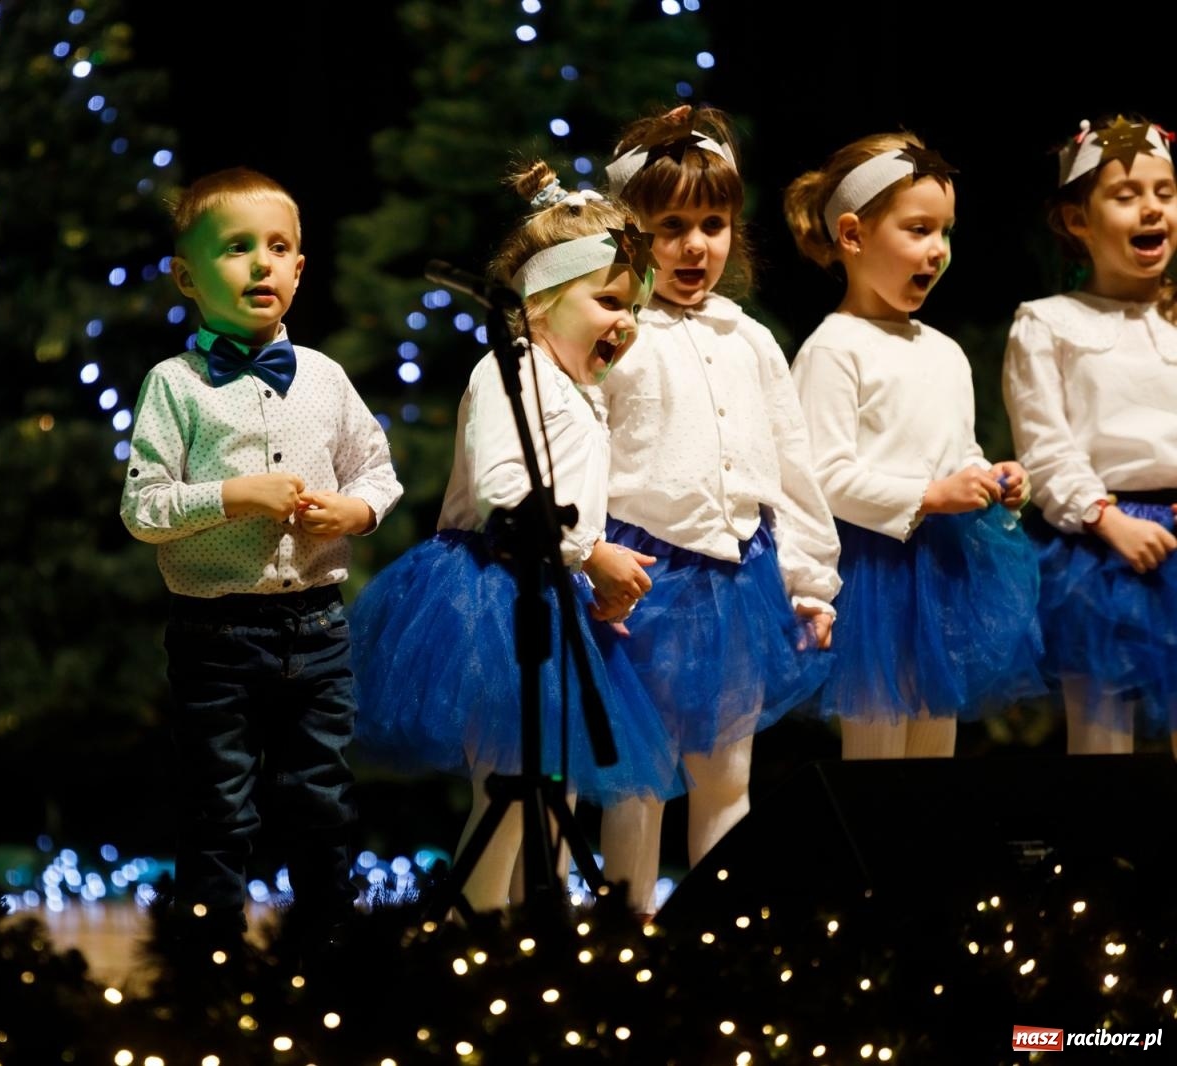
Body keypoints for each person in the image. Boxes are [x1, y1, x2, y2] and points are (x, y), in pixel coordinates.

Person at [351, 162, 679, 914]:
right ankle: (472, 936)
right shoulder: (512, 372)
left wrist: (588, 570)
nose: (625, 321)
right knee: (511, 783)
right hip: (487, 594)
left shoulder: (574, 390)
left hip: (543, 596)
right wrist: (589, 553)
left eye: (633, 305)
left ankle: (521, 939)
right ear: (538, 303)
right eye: (606, 301)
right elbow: (506, 493)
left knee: (546, 784)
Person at [120, 167, 403, 946]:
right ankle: (208, 965)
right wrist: (232, 496)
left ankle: (324, 955)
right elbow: (142, 509)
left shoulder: (326, 377)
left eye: (278, 248)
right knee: (220, 808)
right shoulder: (174, 386)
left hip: (316, 627)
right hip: (217, 635)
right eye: (238, 248)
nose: (262, 264)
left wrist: (356, 509)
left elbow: (378, 471)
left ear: (301, 269)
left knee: (323, 802)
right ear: (187, 276)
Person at [596, 104, 840, 914]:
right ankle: (622, 942)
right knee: (638, 780)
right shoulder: (616, 335)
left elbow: (791, 470)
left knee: (726, 779)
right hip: (645, 578)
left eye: (712, 223)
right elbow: (583, 453)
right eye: (670, 226)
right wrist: (589, 561)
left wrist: (811, 582)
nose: (695, 246)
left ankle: (715, 945)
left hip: (739, 581)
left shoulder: (752, 341)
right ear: (631, 231)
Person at [784, 133, 1043, 759]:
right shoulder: (832, 349)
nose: (937, 251)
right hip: (877, 575)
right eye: (919, 229)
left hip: (945, 568)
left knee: (935, 753)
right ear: (853, 235)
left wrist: (992, 478)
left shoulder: (944, 350)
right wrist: (930, 494)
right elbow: (823, 476)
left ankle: (928, 858)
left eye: (945, 232)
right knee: (878, 758)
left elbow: (959, 450)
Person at [1002, 115, 1176, 754]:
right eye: (1127, 196)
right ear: (1079, 220)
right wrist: (1109, 521)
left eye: (1164, 192)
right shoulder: (1050, 325)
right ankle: (1107, 854)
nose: (1151, 209)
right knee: (1104, 741)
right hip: (1103, 548)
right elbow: (1047, 445)